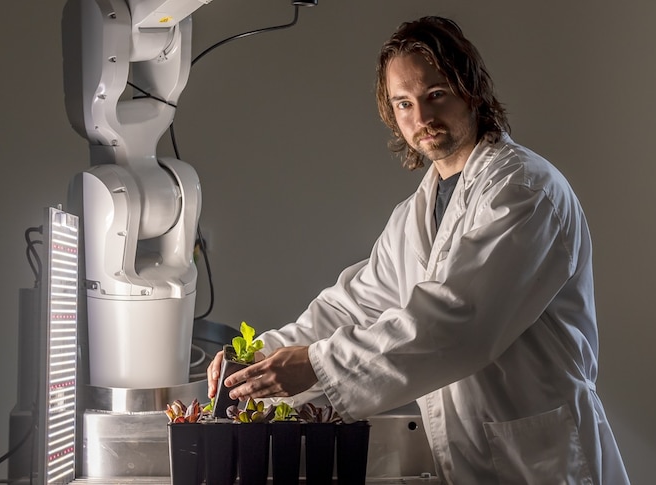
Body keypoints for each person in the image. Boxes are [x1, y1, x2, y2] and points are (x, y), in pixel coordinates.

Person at [207, 15, 629, 484]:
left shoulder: (525, 191)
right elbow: (355, 305)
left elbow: (457, 322)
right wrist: (259, 357)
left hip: (540, 463)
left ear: (471, 90)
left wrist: (317, 364)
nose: (422, 118)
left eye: (436, 95)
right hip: (470, 458)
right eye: (404, 103)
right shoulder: (415, 214)